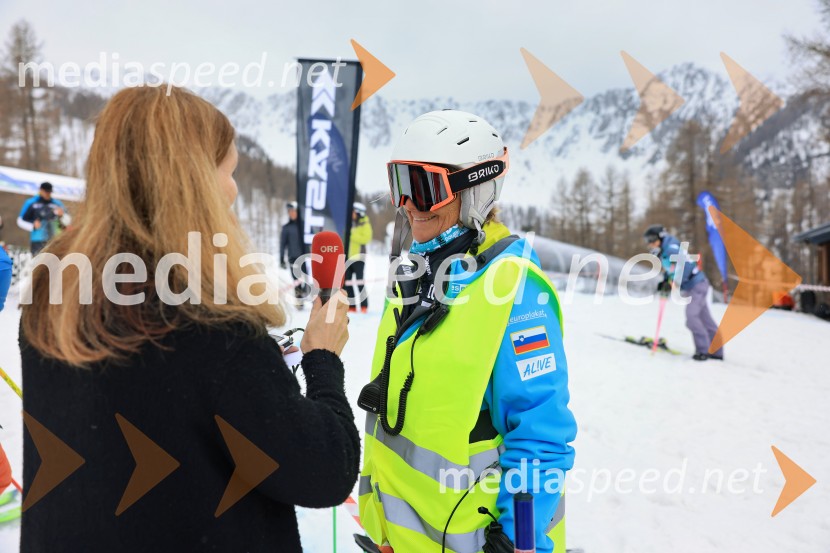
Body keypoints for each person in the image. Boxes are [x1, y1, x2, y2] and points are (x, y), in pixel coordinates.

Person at [20, 86, 359, 553]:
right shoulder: (211, 322)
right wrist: (322, 360)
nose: (234, 190)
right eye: (229, 171)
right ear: (194, 181)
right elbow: (323, 471)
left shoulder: (52, 292)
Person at [358, 110, 576, 553]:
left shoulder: (513, 290)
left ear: (476, 190)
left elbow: (540, 434)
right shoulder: (413, 276)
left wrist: (518, 541)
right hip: (398, 537)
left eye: (424, 189)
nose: (408, 206)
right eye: (401, 185)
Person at [644, 224, 724, 361]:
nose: (650, 243)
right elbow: (672, 270)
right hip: (695, 285)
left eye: (652, 239)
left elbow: (685, 267)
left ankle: (703, 350)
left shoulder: (671, 249)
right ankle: (716, 351)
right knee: (705, 318)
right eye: (648, 240)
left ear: (661, 237)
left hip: (696, 285)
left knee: (692, 318)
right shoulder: (665, 250)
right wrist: (665, 281)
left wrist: (674, 282)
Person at [17, 181, 71, 254]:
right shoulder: (31, 203)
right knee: (38, 263)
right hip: (37, 240)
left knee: (54, 263)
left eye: (49, 192)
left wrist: (62, 216)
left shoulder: (57, 204)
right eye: (46, 192)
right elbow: (20, 220)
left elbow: (68, 222)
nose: (47, 194)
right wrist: (33, 225)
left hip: (55, 240)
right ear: (41, 191)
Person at [280, 200, 309, 309]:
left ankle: (307, 296)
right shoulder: (286, 228)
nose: (291, 213)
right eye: (289, 212)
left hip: (305, 257)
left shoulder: (304, 226)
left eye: (293, 211)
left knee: (306, 279)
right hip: (293, 258)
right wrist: (281, 259)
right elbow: (282, 244)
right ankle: (299, 302)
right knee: (296, 281)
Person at [346, 201, 372, 313]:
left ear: (358, 213)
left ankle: (364, 306)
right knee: (346, 283)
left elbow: (366, 238)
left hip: (359, 259)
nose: (351, 214)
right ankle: (351, 306)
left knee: (359, 283)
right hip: (348, 258)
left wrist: (351, 234)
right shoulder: (350, 223)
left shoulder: (365, 224)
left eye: (353, 212)